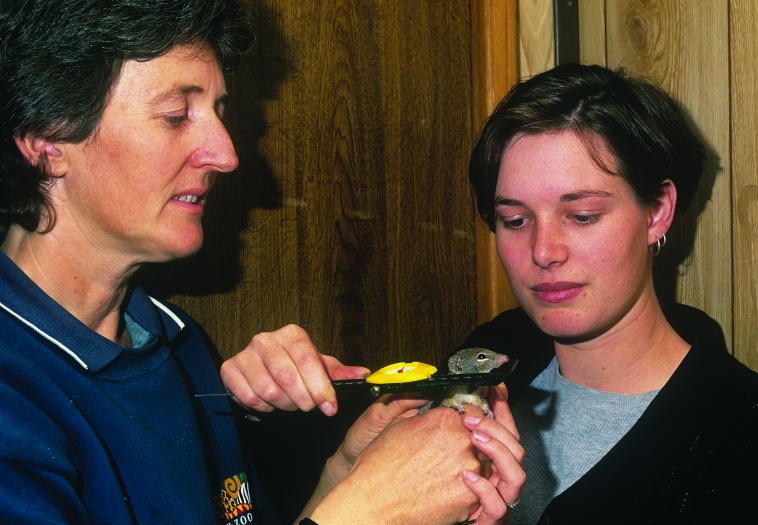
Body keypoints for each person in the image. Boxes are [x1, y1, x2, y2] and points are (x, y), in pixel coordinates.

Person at [0, 1, 524, 523]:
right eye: (176, 115)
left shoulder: (179, 344)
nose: (226, 154)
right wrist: (370, 512)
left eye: (219, 112)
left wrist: (349, 475)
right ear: (46, 141)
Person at [459, 63, 758, 523]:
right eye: (515, 221)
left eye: (581, 216)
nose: (543, 252)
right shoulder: (486, 357)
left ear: (657, 212)